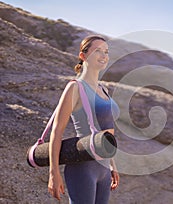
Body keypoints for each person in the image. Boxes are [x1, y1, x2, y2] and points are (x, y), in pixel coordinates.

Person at [48, 35, 120, 203]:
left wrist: (112, 165)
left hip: (103, 168)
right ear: (83, 56)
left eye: (106, 52)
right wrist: (54, 173)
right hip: (83, 167)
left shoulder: (104, 89)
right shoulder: (75, 87)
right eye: (98, 51)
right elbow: (57, 132)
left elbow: (106, 130)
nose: (104, 56)